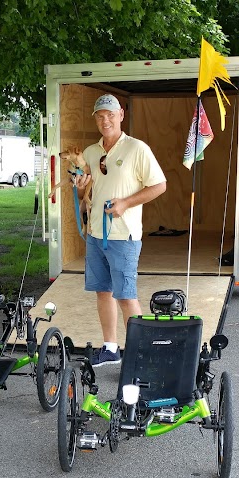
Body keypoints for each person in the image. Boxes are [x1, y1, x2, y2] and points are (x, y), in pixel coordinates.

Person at [76, 94, 166, 366]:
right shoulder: (91, 152)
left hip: (123, 236)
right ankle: (111, 348)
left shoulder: (137, 149)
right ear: (95, 118)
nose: (105, 120)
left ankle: (140, 355)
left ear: (121, 115)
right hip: (95, 235)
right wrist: (81, 188)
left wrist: (125, 202)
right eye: (100, 116)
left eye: (110, 115)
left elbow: (159, 186)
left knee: (126, 295)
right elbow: (87, 192)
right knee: (102, 292)